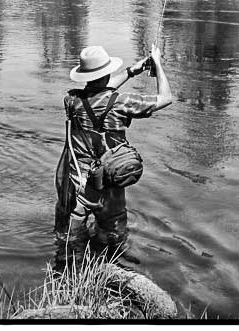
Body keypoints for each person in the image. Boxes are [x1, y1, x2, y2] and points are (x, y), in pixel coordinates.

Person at [54, 44, 173, 267]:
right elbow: (165, 98)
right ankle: (111, 273)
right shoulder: (121, 102)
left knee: (69, 243)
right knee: (114, 239)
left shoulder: (71, 100)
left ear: (84, 76)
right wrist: (157, 63)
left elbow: (100, 91)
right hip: (108, 184)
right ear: (106, 72)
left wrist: (131, 71)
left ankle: (68, 277)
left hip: (77, 182)